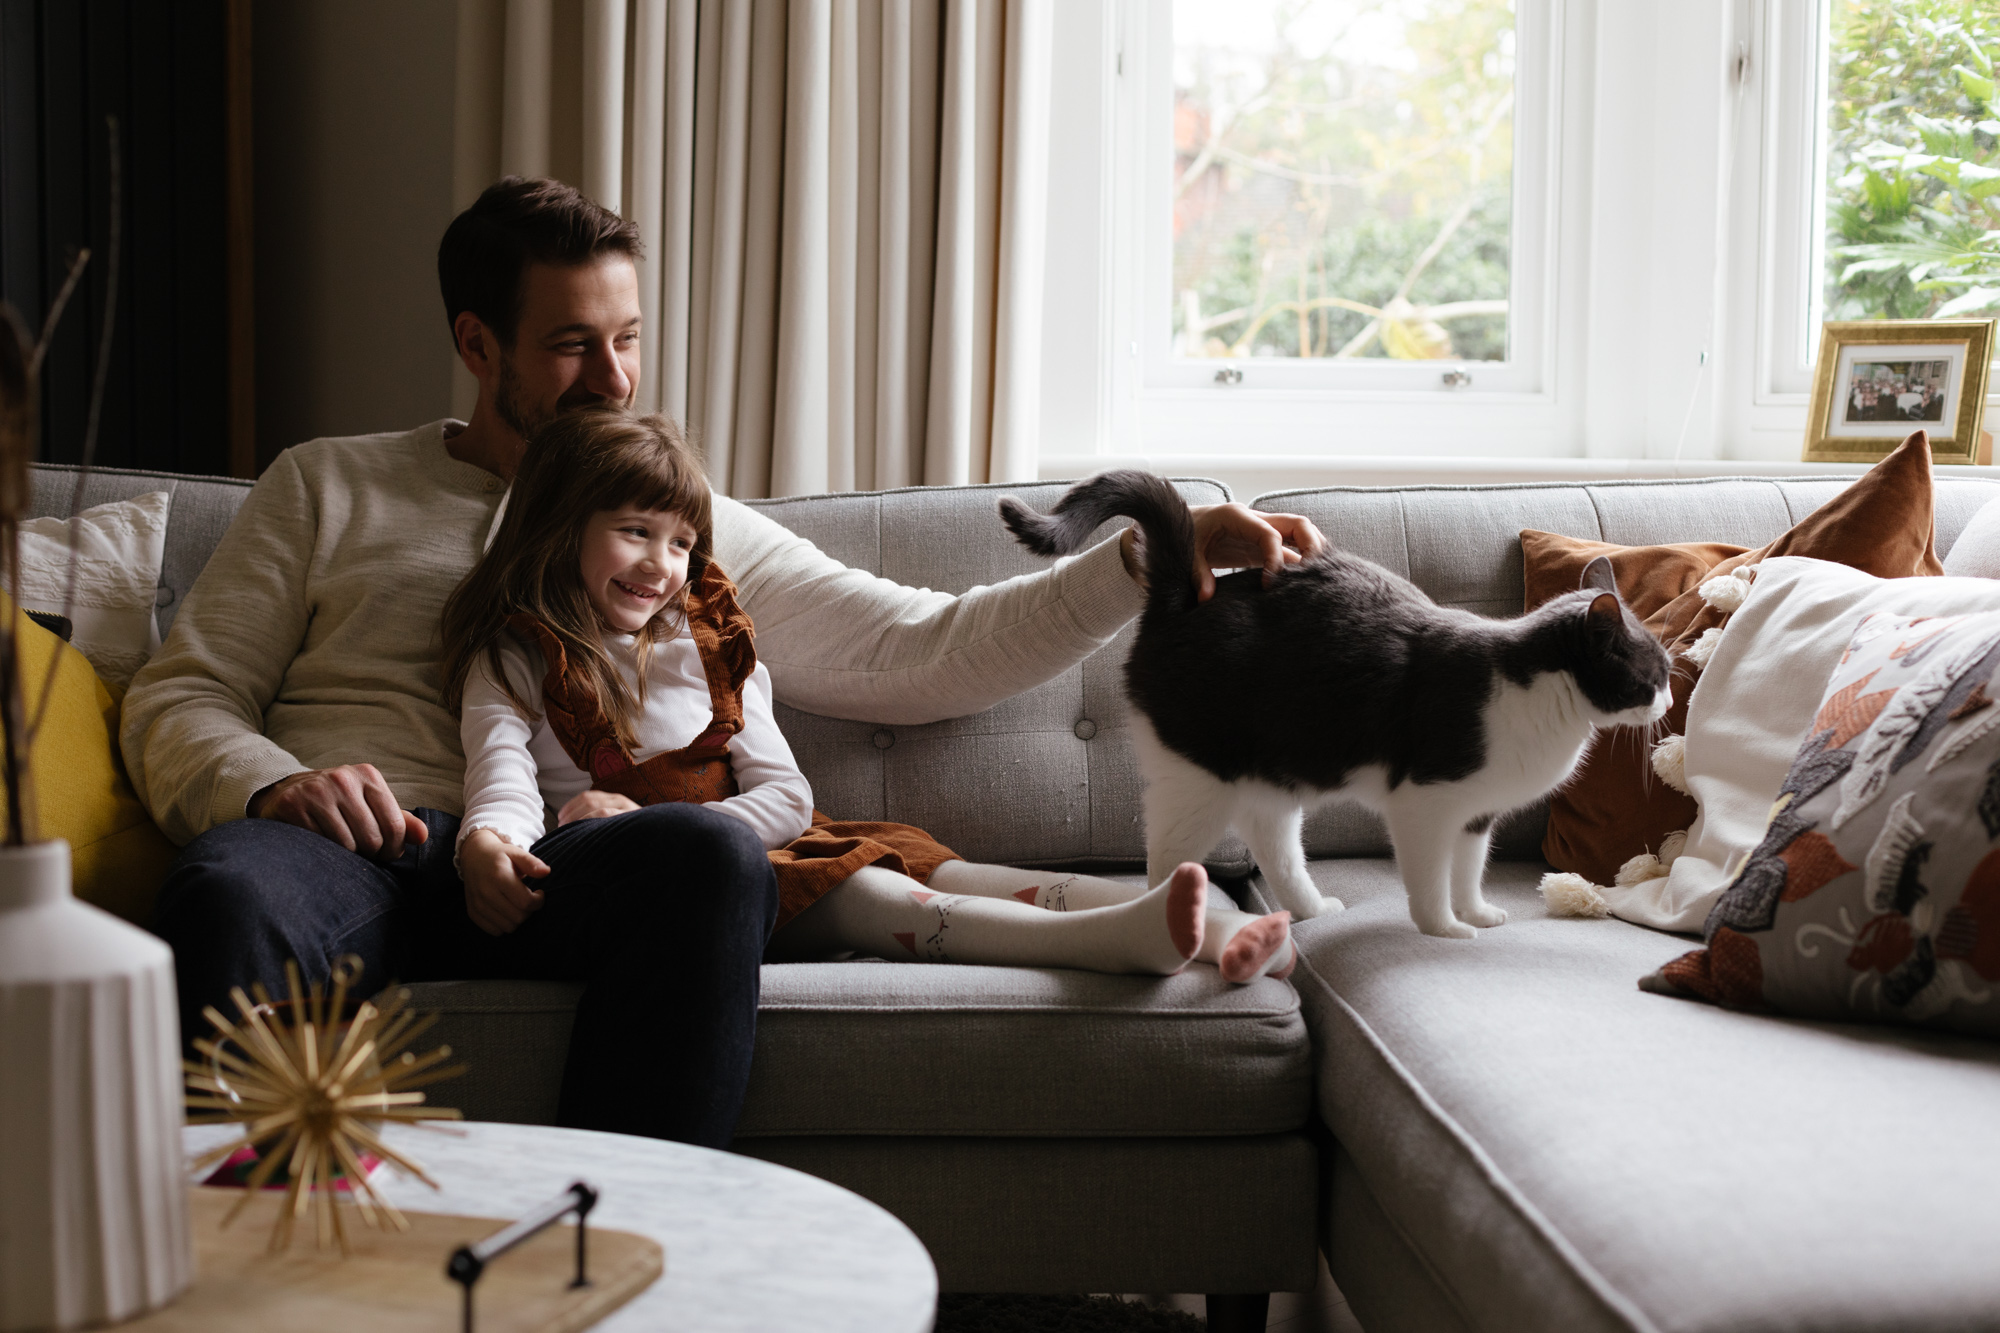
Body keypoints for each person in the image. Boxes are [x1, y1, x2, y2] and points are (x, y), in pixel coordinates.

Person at [120, 176, 1326, 1147]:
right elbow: (185, 690)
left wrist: (1144, 555)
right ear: (475, 342)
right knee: (225, 891)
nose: (611, 379)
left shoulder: (674, 523)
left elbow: (918, 646)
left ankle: (632, 1264)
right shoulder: (328, 483)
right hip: (355, 845)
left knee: (706, 853)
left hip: (569, 861)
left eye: (627, 339)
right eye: (569, 346)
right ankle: (245, 1274)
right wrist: (272, 783)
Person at [441, 407, 1297, 982]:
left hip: (759, 848)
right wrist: (487, 843)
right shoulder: (516, 659)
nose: (662, 564)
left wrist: (678, 824)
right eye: (635, 532)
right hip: (666, 889)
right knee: (875, 898)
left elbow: (784, 796)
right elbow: (503, 779)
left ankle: (1222, 930)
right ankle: (1118, 944)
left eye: (681, 542)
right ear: (561, 531)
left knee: (959, 872)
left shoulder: (711, 649)